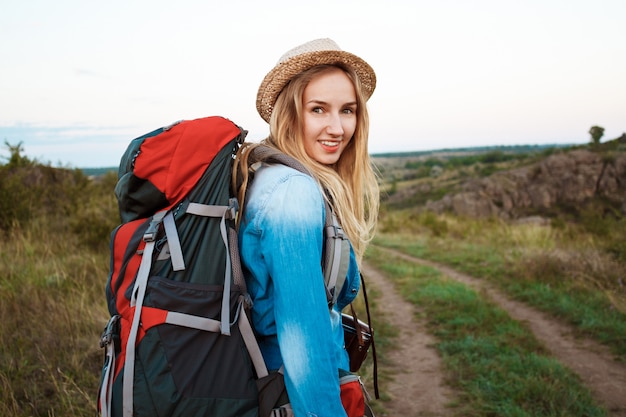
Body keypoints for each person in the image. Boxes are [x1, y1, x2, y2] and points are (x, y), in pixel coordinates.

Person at [234, 38, 379, 417]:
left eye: (347, 110)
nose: (337, 127)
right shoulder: (293, 192)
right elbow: (303, 340)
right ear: (289, 113)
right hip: (290, 398)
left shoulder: (265, 174)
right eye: (318, 109)